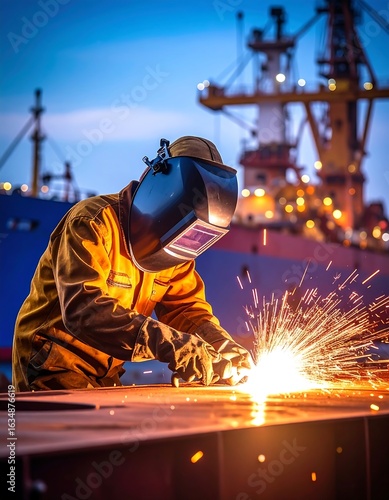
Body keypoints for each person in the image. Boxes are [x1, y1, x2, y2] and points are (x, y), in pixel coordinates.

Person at [12, 136, 254, 391]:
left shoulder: (174, 245)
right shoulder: (92, 223)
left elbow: (185, 309)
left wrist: (221, 345)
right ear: (160, 190)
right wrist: (172, 344)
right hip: (49, 366)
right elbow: (83, 310)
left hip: (106, 373)